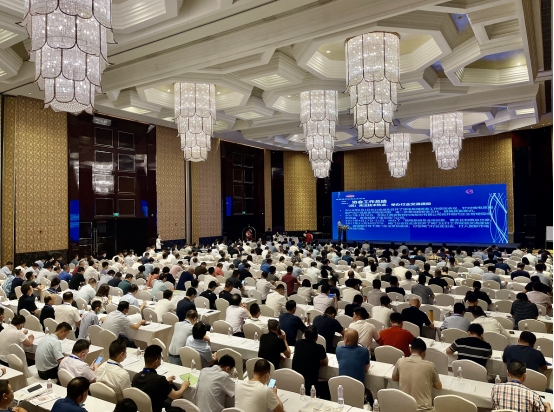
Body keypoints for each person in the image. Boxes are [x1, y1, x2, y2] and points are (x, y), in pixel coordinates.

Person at [132, 345, 190, 412]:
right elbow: (175, 396)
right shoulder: (159, 380)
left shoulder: (136, 377)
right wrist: (183, 386)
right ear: (157, 361)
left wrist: (165, 382)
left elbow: (150, 385)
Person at [392, 338, 442, 412]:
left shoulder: (400, 361)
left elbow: (394, 378)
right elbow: (439, 386)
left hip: (404, 408)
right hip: (424, 410)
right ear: (424, 353)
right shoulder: (430, 366)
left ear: (410, 350)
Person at [291, 324, 328, 397]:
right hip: (311, 386)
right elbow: (325, 362)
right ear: (317, 337)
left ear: (304, 335)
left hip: (296, 381)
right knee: (327, 385)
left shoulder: (298, 343)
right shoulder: (319, 348)